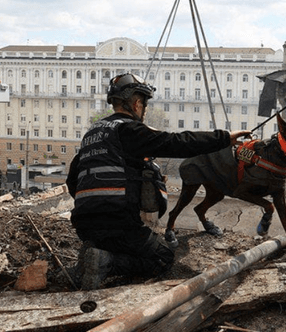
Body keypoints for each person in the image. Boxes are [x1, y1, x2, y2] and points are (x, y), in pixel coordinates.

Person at [66, 73, 251, 290]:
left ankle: (94, 252)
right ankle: (108, 262)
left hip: (84, 225)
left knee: (122, 240)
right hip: (118, 223)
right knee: (162, 258)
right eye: (143, 104)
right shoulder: (129, 130)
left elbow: (72, 181)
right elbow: (176, 142)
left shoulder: (92, 134)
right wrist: (224, 138)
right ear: (136, 104)